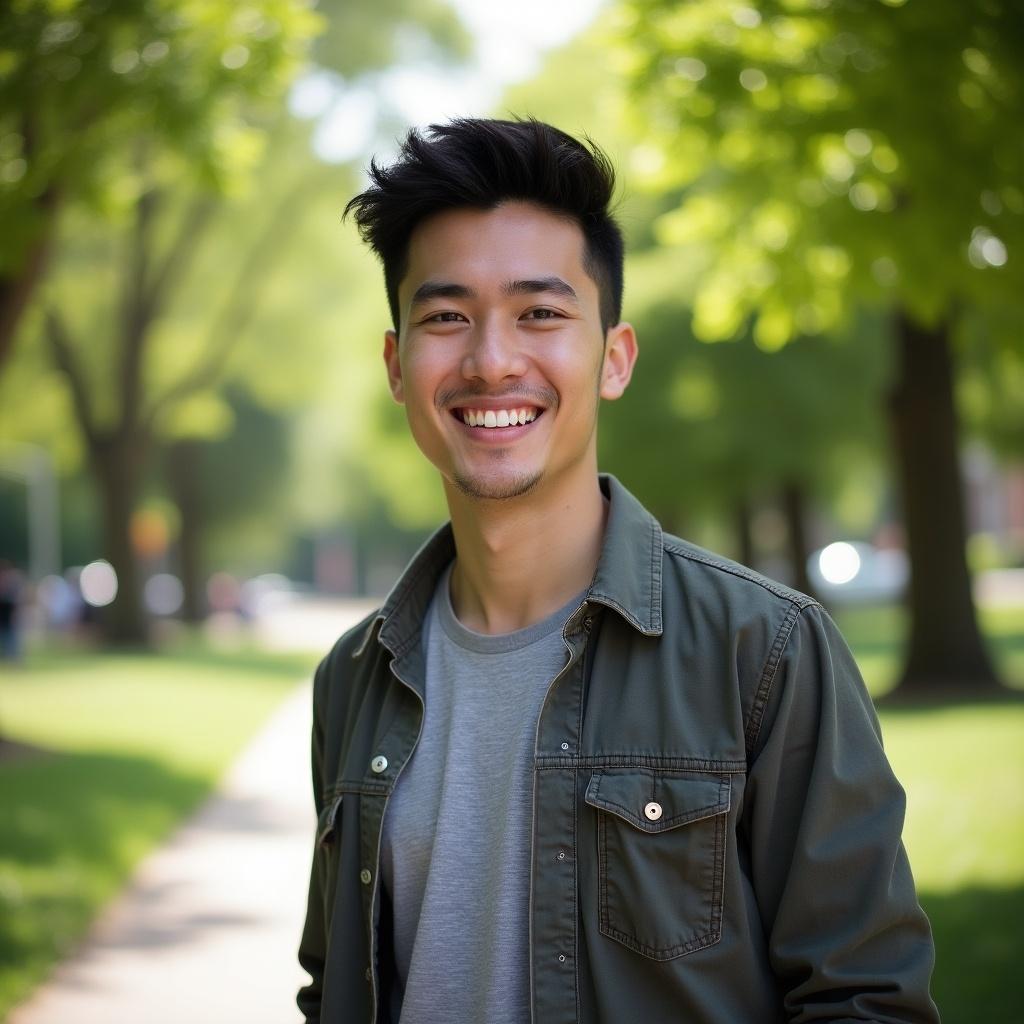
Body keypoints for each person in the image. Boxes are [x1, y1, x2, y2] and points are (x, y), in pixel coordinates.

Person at [296, 118, 938, 1024]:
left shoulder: (767, 653)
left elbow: (864, 1001)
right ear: (398, 365)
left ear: (615, 358)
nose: (490, 360)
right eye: (446, 316)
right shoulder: (352, 679)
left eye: (541, 314)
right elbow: (335, 992)